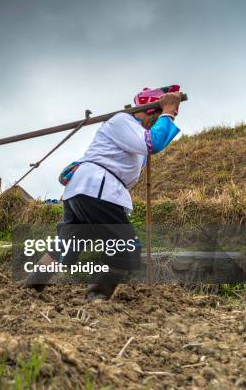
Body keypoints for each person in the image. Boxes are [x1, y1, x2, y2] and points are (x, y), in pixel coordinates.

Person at [21, 86, 183, 300]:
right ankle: (97, 298)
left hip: (84, 190)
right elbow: (153, 142)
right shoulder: (123, 120)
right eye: (157, 115)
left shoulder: (133, 130)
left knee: (66, 246)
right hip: (98, 188)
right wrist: (168, 112)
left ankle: (31, 289)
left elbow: (146, 147)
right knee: (125, 247)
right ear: (152, 111)